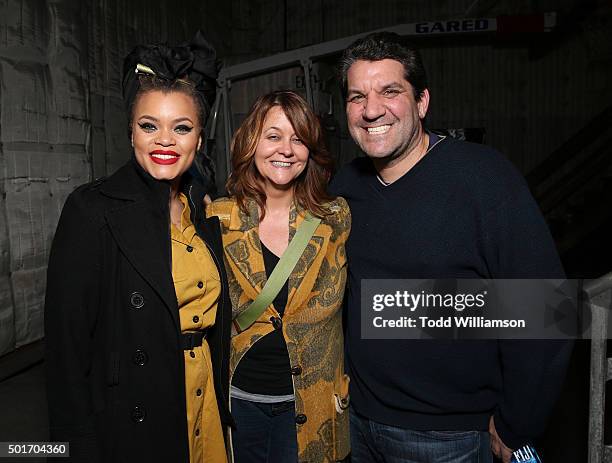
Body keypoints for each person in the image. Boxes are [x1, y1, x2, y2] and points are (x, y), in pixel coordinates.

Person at [330, 32, 572, 463]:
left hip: (448, 438)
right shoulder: (345, 187)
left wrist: (517, 422)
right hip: (356, 424)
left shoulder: (485, 180)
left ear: (422, 102)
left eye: (390, 91)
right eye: (356, 96)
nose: (371, 110)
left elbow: (547, 309)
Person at [44, 32, 232, 463]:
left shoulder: (203, 215)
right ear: (131, 133)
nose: (165, 140)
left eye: (181, 128)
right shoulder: (91, 210)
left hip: (203, 403)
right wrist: (73, 448)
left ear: (198, 140)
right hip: (132, 419)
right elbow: (66, 356)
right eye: (150, 126)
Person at [207, 90, 351, 463]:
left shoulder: (335, 217)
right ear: (252, 142)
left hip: (312, 399)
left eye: (298, 139)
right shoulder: (218, 219)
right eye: (273, 136)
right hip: (239, 400)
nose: (286, 149)